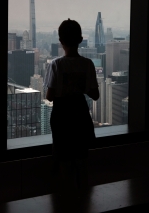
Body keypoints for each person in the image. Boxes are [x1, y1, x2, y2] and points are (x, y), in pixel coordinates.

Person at [44, 18, 99, 196]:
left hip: (62, 116)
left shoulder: (56, 65)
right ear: (81, 39)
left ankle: (66, 201)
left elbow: (50, 96)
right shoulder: (88, 64)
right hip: (80, 114)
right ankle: (83, 200)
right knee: (82, 161)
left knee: (64, 161)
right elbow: (95, 95)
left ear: (60, 41)